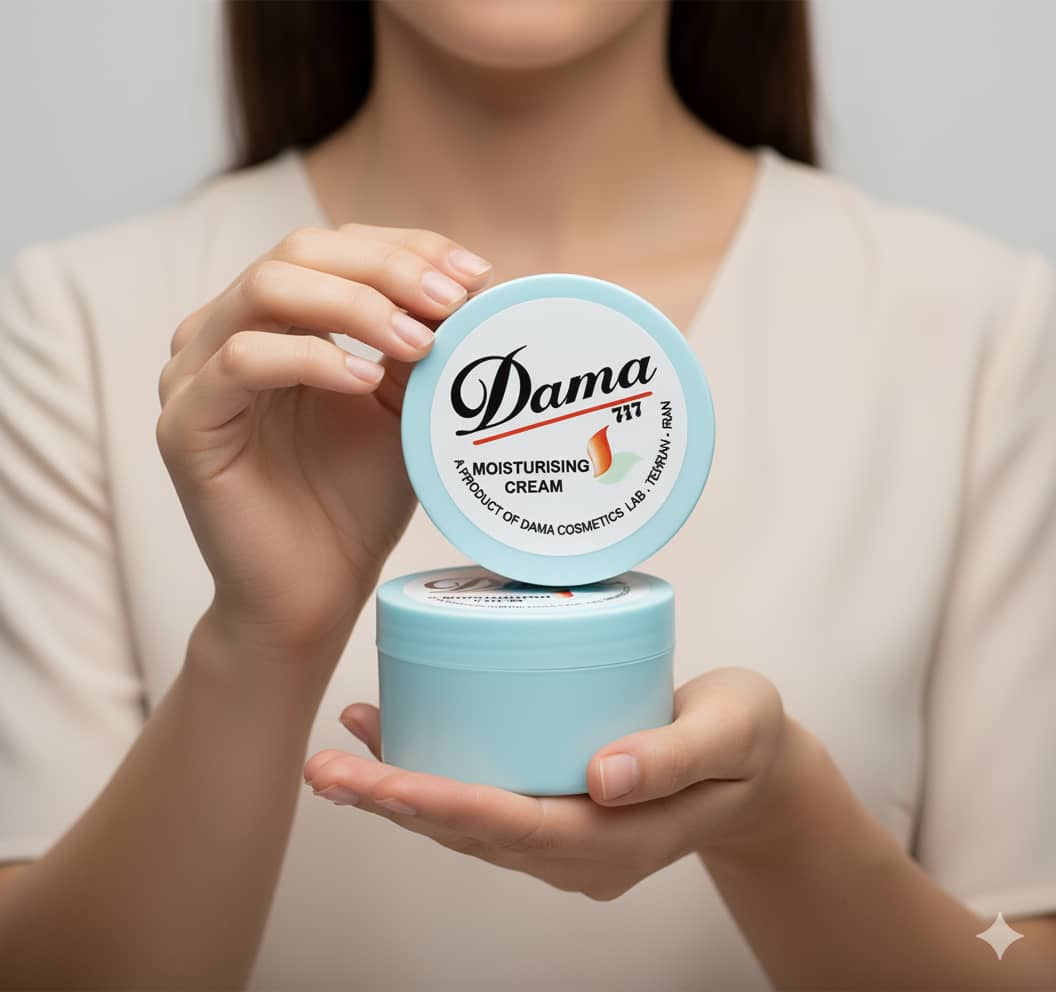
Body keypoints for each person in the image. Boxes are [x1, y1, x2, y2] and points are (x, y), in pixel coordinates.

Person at [1, 2, 1054, 989]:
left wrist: (781, 823)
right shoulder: (77, 325)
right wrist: (263, 637)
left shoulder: (984, 329)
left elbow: (1023, 953)